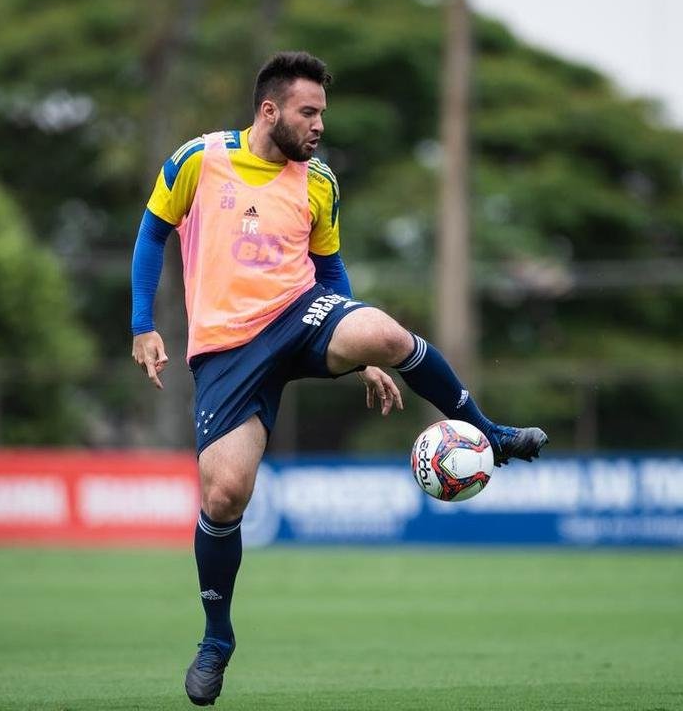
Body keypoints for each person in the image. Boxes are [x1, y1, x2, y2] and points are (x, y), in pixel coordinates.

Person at [131, 51, 548, 706]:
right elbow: (152, 234)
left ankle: (489, 434)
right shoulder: (199, 160)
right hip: (226, 349)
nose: (319, 124)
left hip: (299, 314)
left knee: (385, 331)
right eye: (308, 111)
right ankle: (216, 640)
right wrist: (142, 324)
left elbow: (329, 276)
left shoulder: (318, 180)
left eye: (322, 112)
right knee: (224, 496)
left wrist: (364, 346)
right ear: (269, 110)